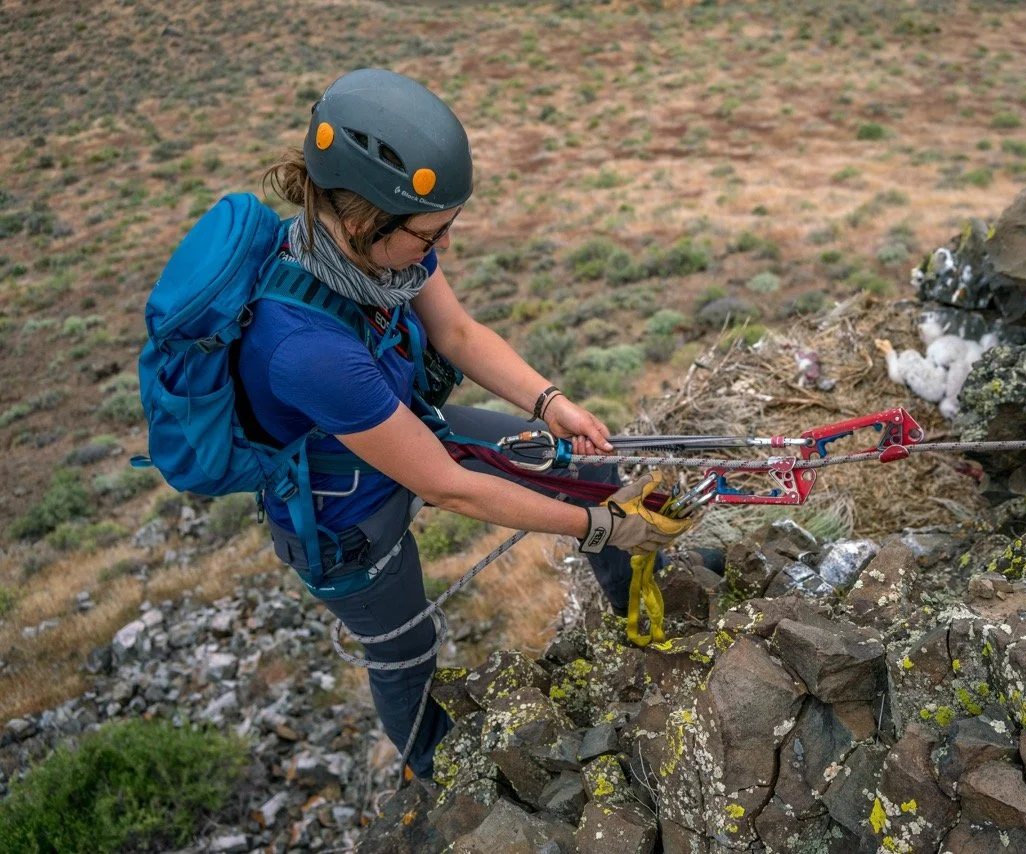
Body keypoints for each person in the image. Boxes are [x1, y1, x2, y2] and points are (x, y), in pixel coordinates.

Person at [235, 67, 692, 782]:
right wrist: (599, 527)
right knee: (405, 651)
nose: (442, 243)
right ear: (363, 221)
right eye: (432, 232)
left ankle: (650, 621)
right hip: (342, 515)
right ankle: (440, 776)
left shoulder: (382, 256)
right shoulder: (306, 348)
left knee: (587, 473)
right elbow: (449, 487)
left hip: (405, 429)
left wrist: (550, 403)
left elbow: (458, 334)